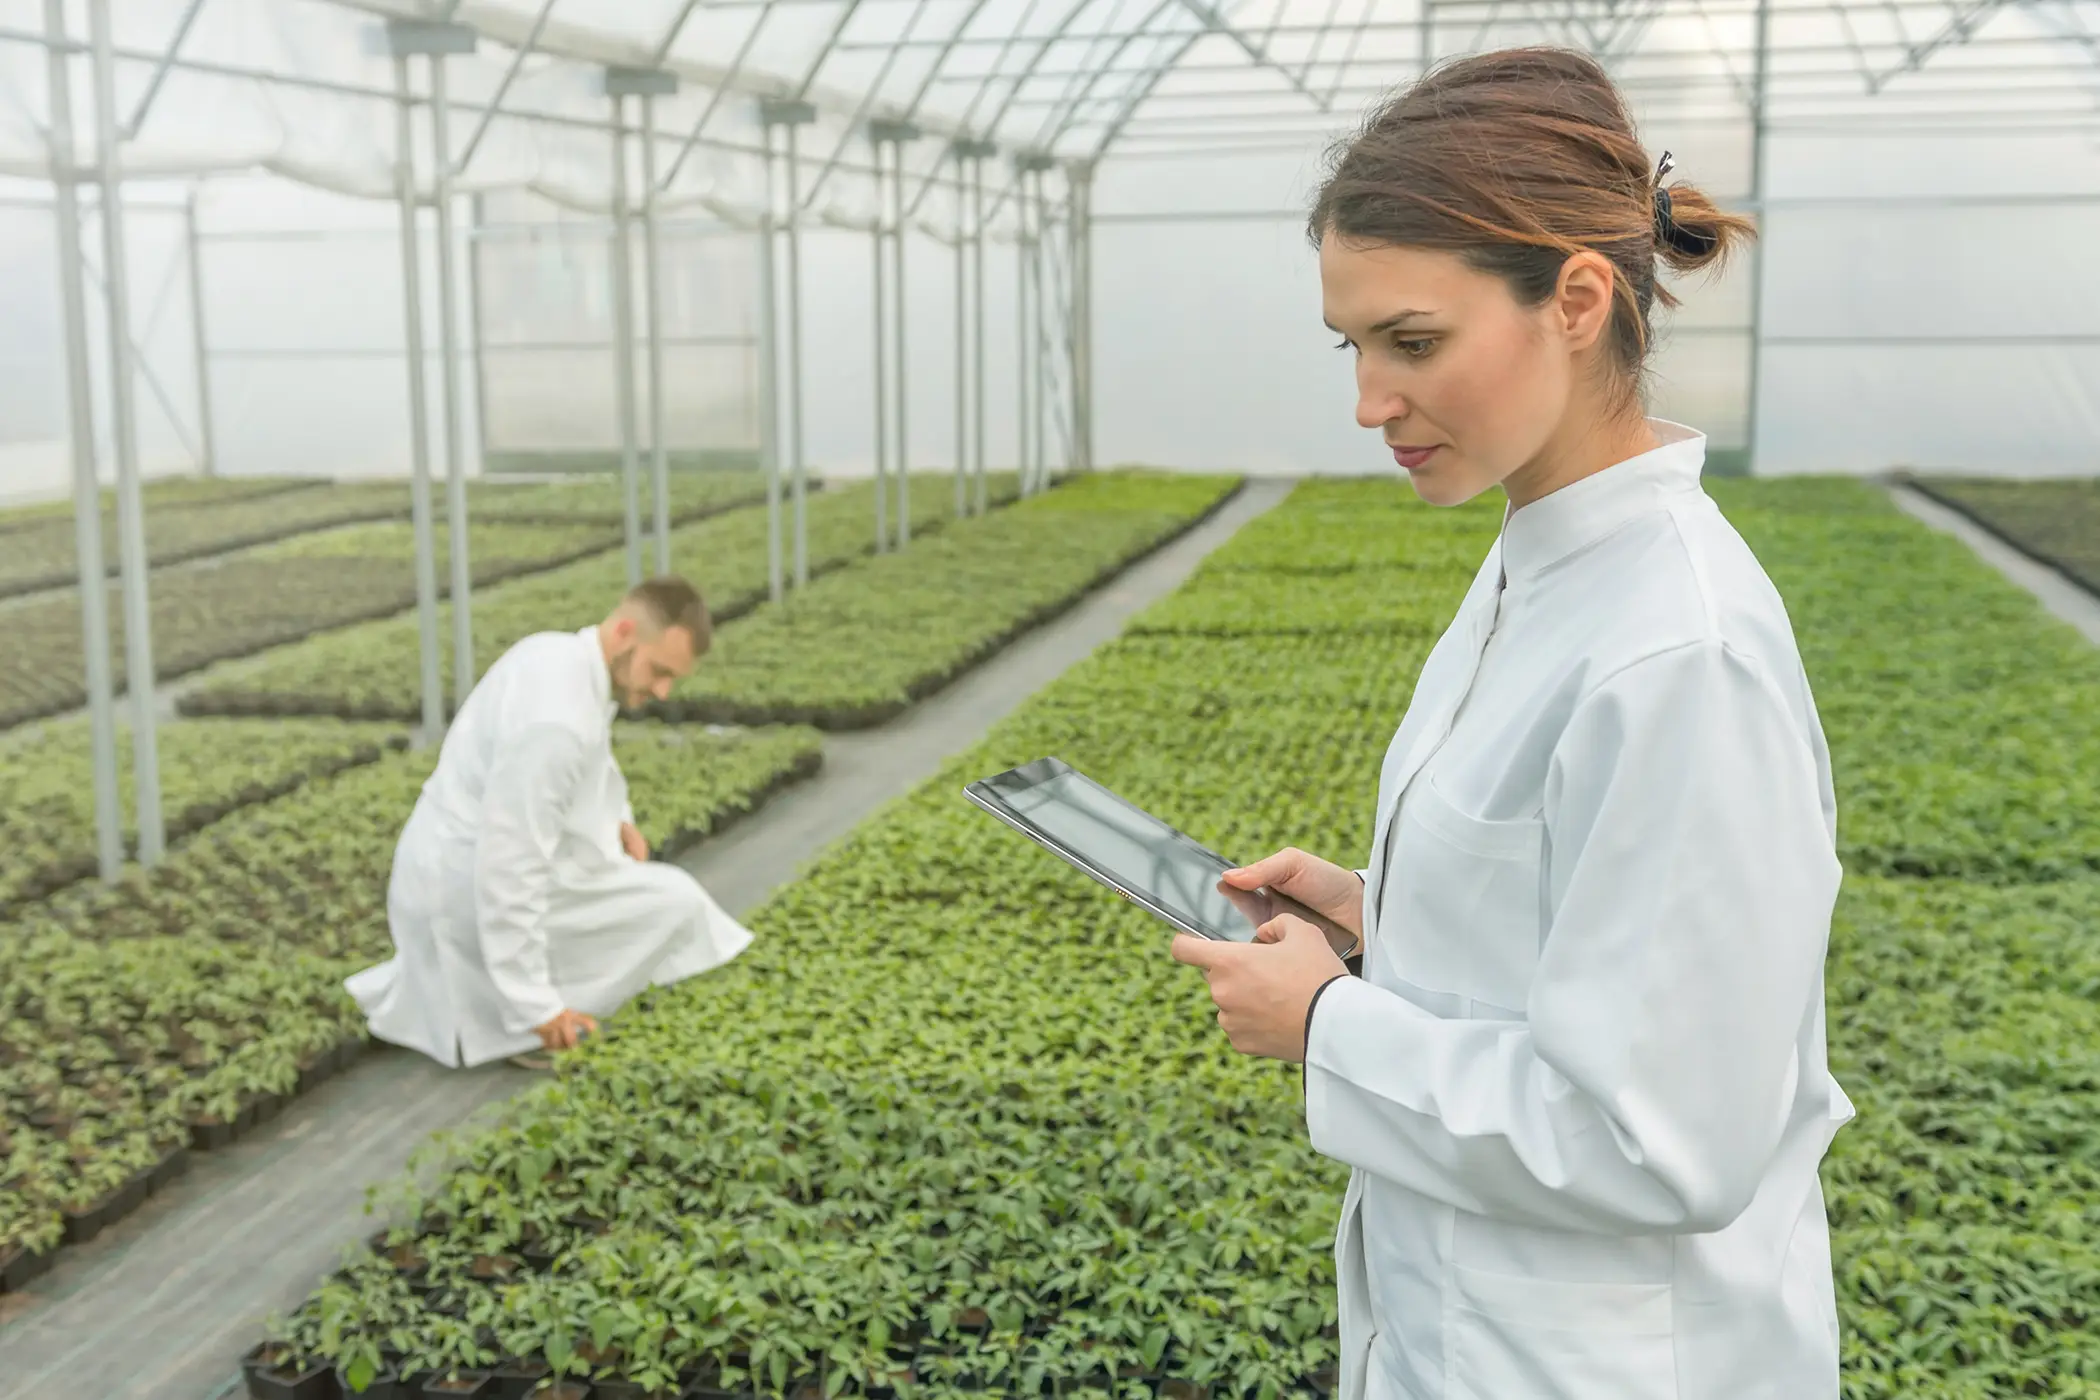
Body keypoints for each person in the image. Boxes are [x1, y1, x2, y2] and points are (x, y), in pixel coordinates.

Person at [1170, 48, 1854, 1400]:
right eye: (1353, 346)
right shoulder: (1535, 558)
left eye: (1412, 342)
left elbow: (1661, 1140)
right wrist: (1387, 919)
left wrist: (1330, 1025)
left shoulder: (1679, 651)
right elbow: (1588, 922)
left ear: (1578, 300)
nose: (1370, 402)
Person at [347, 576, 755, 1072]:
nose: (664, 691)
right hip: (462, 891)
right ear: (626, 631)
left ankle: (521, 999)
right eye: (659, 671)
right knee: (675, 903)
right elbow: (509, 864)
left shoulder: (561, 657)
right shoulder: (556, 721)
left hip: (445, 868)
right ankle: (522, 1028)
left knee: (661, 896)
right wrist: (534, 1006)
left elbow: (592, 763)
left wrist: (619, 820)